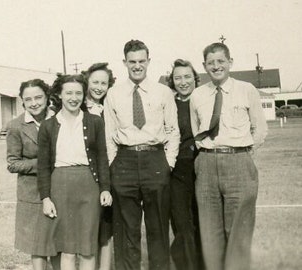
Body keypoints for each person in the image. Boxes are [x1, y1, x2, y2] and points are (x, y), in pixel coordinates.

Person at [190, 42, 268, 270]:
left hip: (238, 161)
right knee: (210, 232)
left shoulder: (247, 90)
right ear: (204, 66)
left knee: (239, 231)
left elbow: (260, 129)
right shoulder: (197, 95)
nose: (216, 66)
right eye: (211, 63)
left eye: (221, 61)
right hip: (206, 163)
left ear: (230, 62)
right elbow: (197, 131)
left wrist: (242, 153)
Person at [104, 39, 180, 270]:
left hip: (155, 160)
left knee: (157, 228)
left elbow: (173, 131)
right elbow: (109, 134)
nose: (137, 66)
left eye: (141, 61)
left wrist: (168, 163)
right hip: (124, 161)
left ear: (149, 61)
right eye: (132, 62)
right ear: (124, 62)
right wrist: (113, 165)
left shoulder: (163, 92)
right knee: (127, 229)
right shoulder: (113, 94)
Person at [37, 74, 112, 270]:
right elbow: (43, 166)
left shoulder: (95, 122)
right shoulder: (47, 126)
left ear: (84, 95)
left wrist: (105, 188)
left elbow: (102, 158)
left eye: (78, 93)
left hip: (89, 186)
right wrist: (46, 197)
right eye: (68, 92)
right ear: (59, 95)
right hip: (60, 188)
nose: (74, 97)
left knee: (87, 248)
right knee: (68, 249)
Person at [6, 79, 60, 270]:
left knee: (57, 245)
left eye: (38, 97)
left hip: (59, 189)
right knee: (36, 246)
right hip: (31, 194)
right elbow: (12, 164)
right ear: (22, 101)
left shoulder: (60, 119)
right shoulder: (15, 126)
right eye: (28, 99)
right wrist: (43, 164)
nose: (34, 103)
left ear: (47, 97)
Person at [167, 59, 203, 270]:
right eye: (177, 77)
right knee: (182, 225)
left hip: (203, 167)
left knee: (204, 225)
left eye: (187, 76)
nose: (183, 82)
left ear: (195, 78)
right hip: (177, 171)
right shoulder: (169, 104)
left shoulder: (205, 100)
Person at [83, 62, 116, 270]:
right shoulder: (77, 106)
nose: (99, 87)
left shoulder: (111, 106)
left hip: (112, 171)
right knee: (88, 229)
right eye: (95, 82)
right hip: (89, 175)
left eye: (103, 83)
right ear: (86, 82)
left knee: (107, 227)